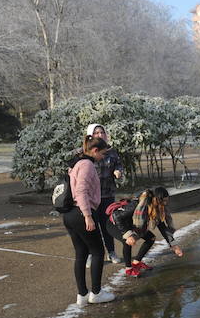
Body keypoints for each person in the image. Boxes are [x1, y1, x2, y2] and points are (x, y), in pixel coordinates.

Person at [65, 136, 116, 306]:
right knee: (98, 252)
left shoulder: (77, 162)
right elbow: (81, 191)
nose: (103, 156)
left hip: (70, 214)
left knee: (81, 253)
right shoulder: (87, 165)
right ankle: (96, 293)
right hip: (81, 213)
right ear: (94, 151)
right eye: (102, 153)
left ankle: (82, 295)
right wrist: (87, 215)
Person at [107, 186, 183, 277]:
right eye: (164, 201)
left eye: (167, 200)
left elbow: (162, 227)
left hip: (132, 225)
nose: (165, 203)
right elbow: (116, 216)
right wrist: (128, 234)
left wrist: (173, 245)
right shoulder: (137, 205)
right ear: (156, 199)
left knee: (151, 238)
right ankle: (129, 269)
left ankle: (136, 263)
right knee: (127, 241)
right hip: (115, 224)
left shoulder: (156, 209)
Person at [85, 124, 124, 263]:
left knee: (108, 225)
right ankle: (91, 253)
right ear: (91, 135)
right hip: (91, 197)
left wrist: (118, 171)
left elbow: (119, 164)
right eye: (96, 133)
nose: (100, 135)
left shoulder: (111, 152)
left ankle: (111, 252)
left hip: (108, 194)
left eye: (102, 132)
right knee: (91, 226)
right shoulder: (85, 153)